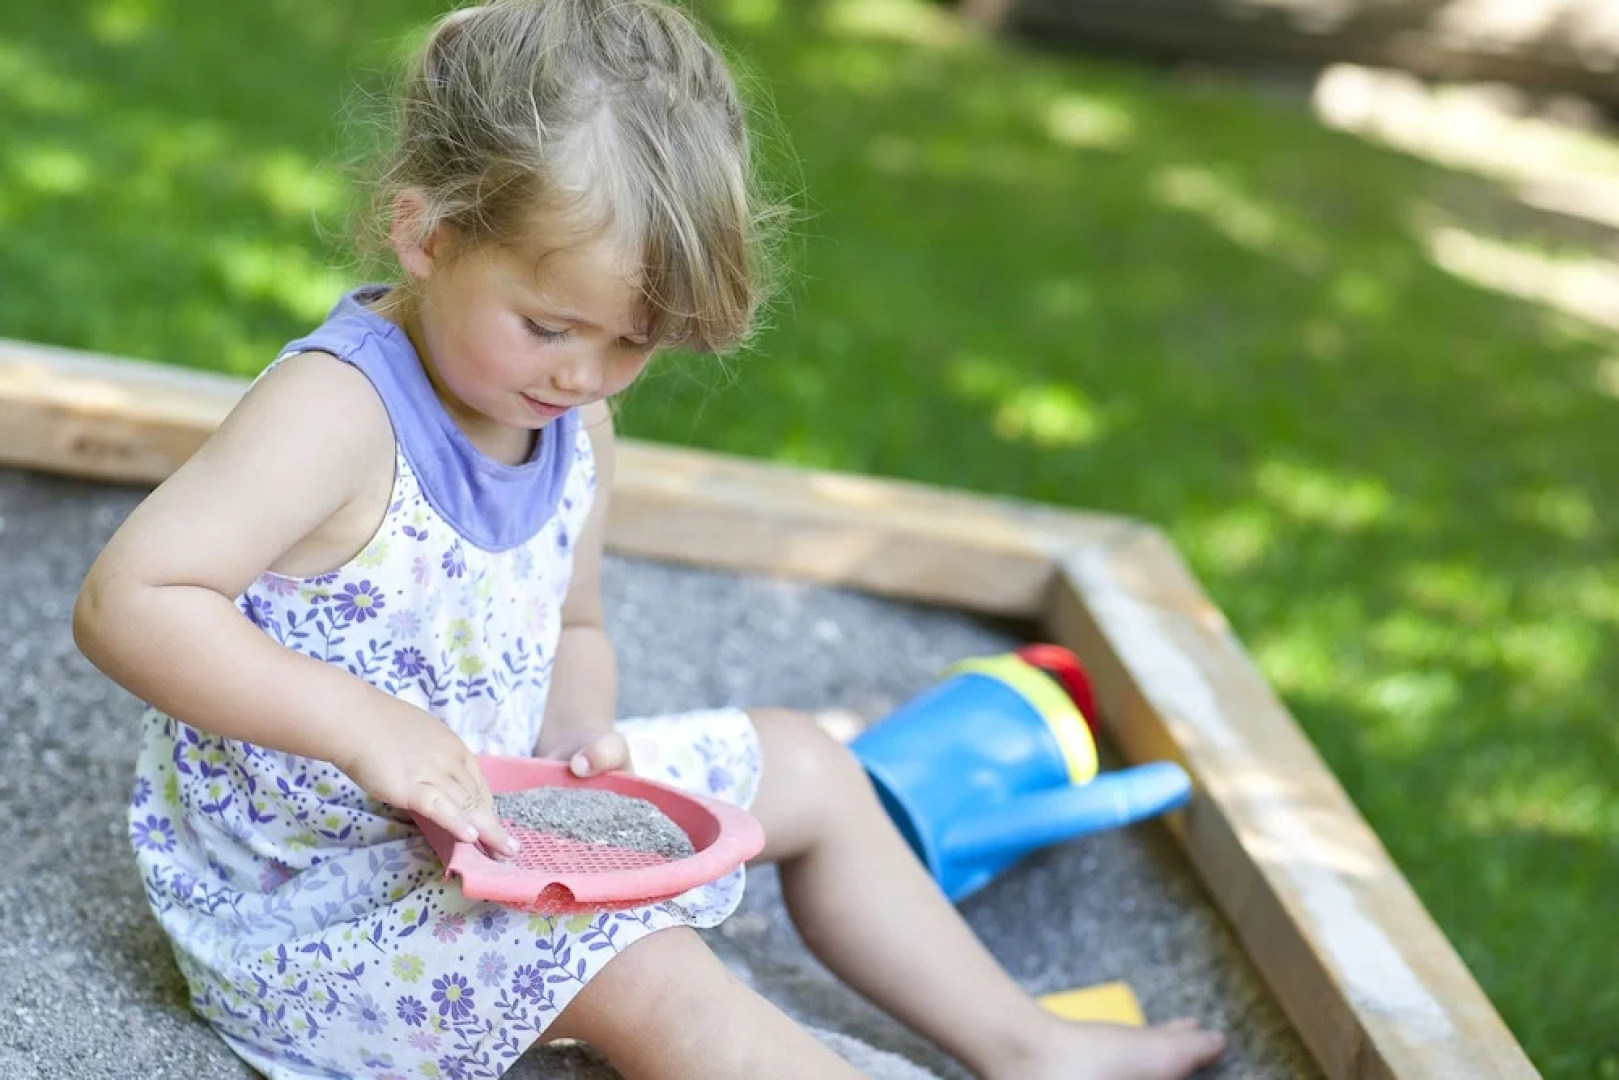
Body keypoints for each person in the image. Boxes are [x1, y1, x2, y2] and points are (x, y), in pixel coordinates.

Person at [73, 2, 1227, 1077]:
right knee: (656, 977)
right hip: (314, 902)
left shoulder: (574, 420)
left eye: (629, 342)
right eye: (548, 326)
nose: (584, 373)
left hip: (492, 814)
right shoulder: (336, 416)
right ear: (424, 234)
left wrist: (580, 746)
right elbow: (133, 599)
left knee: (815, 766)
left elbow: (572, 619)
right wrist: (360, 724)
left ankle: (1028, 1045)